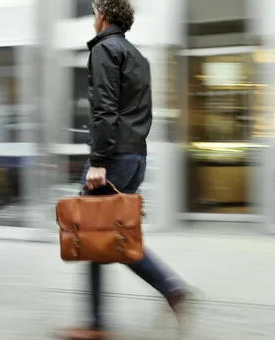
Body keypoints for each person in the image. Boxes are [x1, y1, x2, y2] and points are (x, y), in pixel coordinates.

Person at [61, 1, 192, 339]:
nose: (93, 19)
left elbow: (104, 109)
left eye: (93, 13)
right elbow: (139, 113)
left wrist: (99, 161)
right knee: (111, 237)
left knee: (94, 236)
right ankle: (167, 292)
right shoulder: (138, 56)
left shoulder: (106, 49)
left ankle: (99, 322)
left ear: (102, 16)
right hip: (135, 158)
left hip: (113, 158)